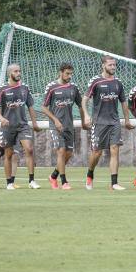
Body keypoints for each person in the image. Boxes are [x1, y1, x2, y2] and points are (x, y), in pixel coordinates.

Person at [82, 55, 135, 191]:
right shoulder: (96, 81)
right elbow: (84, 100)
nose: (113, 67)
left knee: (115, 149)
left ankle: (114, 183)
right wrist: (87, 115)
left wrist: (127, 120)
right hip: (99, 123)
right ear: (103, 65)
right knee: (97, 153)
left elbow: (124, 103)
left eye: (114, 65)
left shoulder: (118, 83)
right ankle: (90, 174)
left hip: (114, 122)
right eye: (110, 65)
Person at [0, 64, 42, 190]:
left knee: (29, 149)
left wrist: (34, 122)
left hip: (22, 125)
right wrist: (1, 118)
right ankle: (9, 182)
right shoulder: (3, 89)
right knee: (8, 154)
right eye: (16, 71)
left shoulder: (25, 88)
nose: (19, 73)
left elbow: (30, 106)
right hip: (8, 127)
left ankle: (31, 181)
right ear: (10, 73)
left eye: (19, 71)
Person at [42, 62, 86, 190]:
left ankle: (53, 176)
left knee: (69, 153)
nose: (69, 76)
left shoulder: (73, 87)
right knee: (61, 151)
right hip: (56, 125)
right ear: (60, 72)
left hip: (68, 124)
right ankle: (64, 182)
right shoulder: (52, 87)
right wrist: (55, 120)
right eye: (67, 73)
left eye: (71, 73)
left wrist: (84, 121)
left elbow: (81, 105)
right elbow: (44, 108)